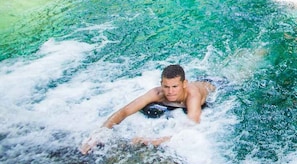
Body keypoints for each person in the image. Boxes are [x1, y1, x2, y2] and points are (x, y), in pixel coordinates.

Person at [80, 64, 215, 154]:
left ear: (184, 84)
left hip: (215, 85)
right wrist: (97, 135)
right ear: (161, 84)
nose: (170, 91)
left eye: (175, 87)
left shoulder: (193, 95)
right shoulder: (157, 93)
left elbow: (191, 126)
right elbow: (124, 111)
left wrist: (155, 140)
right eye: (166, 86)